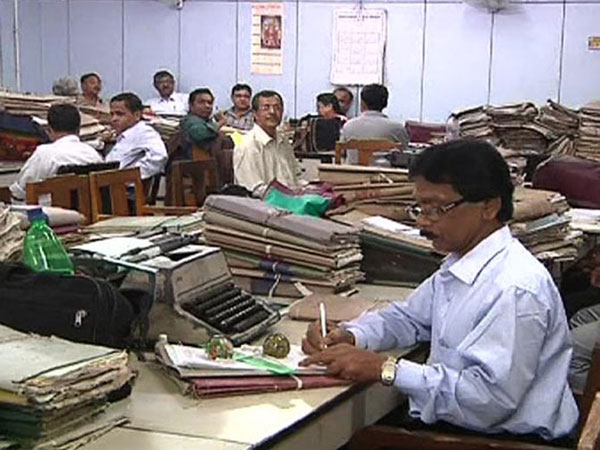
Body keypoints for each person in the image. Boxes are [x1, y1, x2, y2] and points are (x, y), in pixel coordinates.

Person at [301, 139, 578, 442]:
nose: (422, 221)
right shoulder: (462, 262)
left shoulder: (514, 288)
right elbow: (410, 318)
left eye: (437, 209)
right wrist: (353, 335)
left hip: (505, 439)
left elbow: (488, 401)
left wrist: (386, 368)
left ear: (489, 206)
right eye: (420, 207)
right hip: (469, 425)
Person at [10, 104, 103, 202]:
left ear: (49, 129)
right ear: (78, 129)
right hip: (90, 210)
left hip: (50, 211)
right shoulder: (94, 154)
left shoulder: (44, 154)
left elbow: (19, 192)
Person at [233, 90, 302, 196]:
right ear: (255, 114)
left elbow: (295, 179)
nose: (272, 112)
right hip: (263, 203)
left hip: (290, 199)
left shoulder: (283, 141)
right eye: (266, 108)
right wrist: (291, 197)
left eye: (277, 108)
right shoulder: (247, 145)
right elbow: (254, 190)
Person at [106, 93, 167, 180]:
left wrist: (128, 176)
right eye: (112, 114)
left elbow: (159, 156)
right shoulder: (125, 134)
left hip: (125, 186)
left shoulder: (144, 132)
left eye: (120, 114)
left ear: (137, 115)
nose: (114, 119)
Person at [340, 84, 409, 146]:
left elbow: (341, 151)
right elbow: (405, 151)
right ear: (385, 103)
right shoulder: (397, 128)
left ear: (362, 103)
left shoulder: (348, 126)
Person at [180, 88, 227, 159]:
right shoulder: (189, 120)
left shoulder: (208, 121)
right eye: (201, 102)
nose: (207, 106)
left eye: (210, 103)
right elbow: (201, 134)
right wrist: (221, 122)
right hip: (195, 163)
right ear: (191, 105)